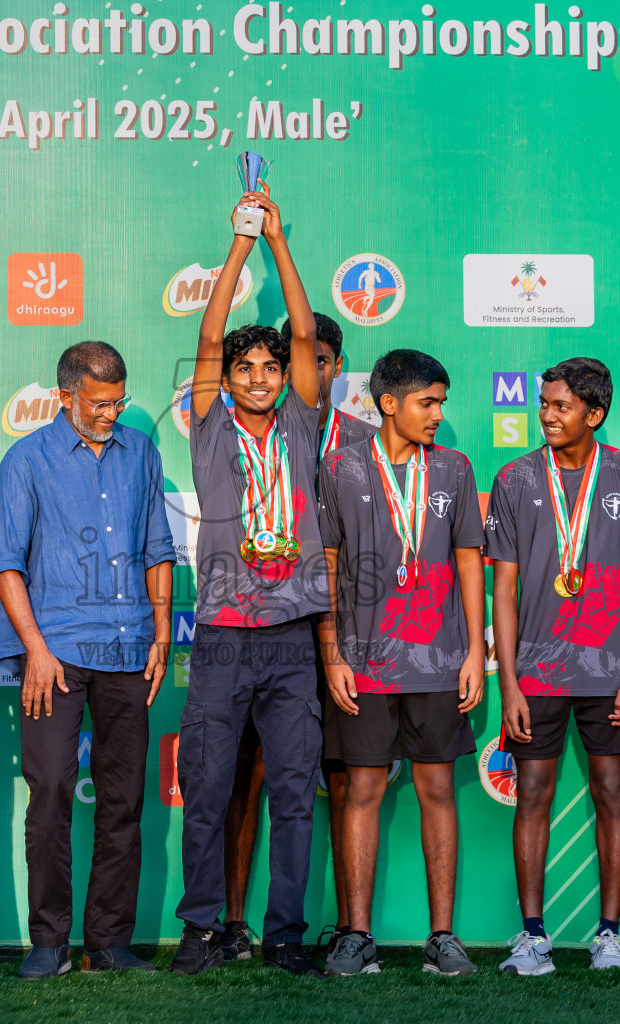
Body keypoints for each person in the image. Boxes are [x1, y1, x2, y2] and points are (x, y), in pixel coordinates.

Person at [170, 186, 325, 979]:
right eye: (248, 367)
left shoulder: (302, 420)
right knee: (207, 789)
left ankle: (287, 930)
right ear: (228, 377)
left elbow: (304, 328)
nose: (263, 376)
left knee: (295, 791)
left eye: (272, 367)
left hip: (293, 636)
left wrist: (278, 243)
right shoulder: (206, 424)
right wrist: (238, 242)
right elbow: (205, 331)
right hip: (226, 638)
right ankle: (201, 927)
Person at [0, 341, 174, 978]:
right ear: (64, 394)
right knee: (50, 795)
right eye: (99, 403)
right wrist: (36, 651)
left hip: (128, 652)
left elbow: (158, 546)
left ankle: (109, 942)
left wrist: (159, 633)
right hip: (56, 657)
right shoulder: (26, 460)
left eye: (119, 400)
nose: (110, 413)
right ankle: (49, 942)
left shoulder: (142, 450)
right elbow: (6, 565)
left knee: (124, 801)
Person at [486, 356, 620, 975]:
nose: (548, 416)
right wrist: (507, 681)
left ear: (596, 413)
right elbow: (501, 591)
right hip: (535, 674)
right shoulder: (514, 479)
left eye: (561, 406)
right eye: (545, 404)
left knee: (612, 793)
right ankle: (532, 935)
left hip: (611, 672)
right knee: (532, 793)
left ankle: (608, 934)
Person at [317, 349, 485, 977]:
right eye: (428, 402)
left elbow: (470, 557)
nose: (438, 414)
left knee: (438, 788)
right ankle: (356, 935)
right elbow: (326, 565)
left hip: (439, 661)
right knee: (361, 788)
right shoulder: (339, 467)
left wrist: (473, 648)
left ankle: (443, 937)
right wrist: (332, 652)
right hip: (363, 662)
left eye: (441, 402)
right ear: (389, 404)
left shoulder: (455, 469)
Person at [222, 312, 375, 959]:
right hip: (270, 624)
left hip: (339, 633)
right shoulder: (245, 432)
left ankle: (347, 926)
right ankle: (232, 923)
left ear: (336, 368)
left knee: (341, 778)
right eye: (298, 361)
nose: (312, 371)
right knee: (247, 775)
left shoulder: (367, 440)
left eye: (323, 360)